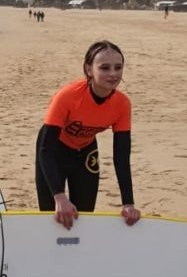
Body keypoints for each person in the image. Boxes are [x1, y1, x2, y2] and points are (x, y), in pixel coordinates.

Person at [35, 40, 141, 231]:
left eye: (118, 67)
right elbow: (46, 149)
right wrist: (59, 196)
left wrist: (128, 203)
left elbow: (121, 157)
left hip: (85, 152)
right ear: (89, 69)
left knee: (84, 216)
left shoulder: (122, 104)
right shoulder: (67, 96)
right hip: (54, 152)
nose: (113, 74)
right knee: (52, 215)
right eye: (105, 68)